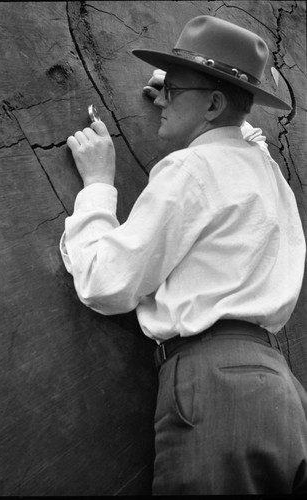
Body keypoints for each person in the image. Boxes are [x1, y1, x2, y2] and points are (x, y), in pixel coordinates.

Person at [60, 15, 307, 495]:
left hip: (213, 388)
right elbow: (247, 134)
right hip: (281, 393)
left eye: (174, 90)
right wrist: (191, 97)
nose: (163, 98)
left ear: (214, 103)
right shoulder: (265, 170)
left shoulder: (192, 168)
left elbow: (107, 283)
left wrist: (96, 185)